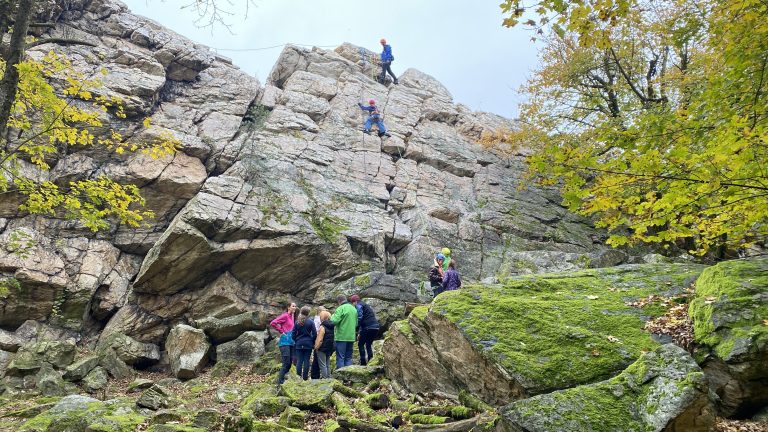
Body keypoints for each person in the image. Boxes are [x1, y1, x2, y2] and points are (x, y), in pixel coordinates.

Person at [270, 302, 297, 384]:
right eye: (293, 306)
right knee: (286, 363)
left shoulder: (292, 316)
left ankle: (285, 381)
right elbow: (273, 323)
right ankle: (279, 383)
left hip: (291, 343)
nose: (295, 308)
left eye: (295, 306)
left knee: (290, 363)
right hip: (284, 343)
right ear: (288, 307)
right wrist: (281, 331)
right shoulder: (285, 315)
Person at [349, 294, 380, 365]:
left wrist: (356, 328)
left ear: (354, 302)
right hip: (375, 327)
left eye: (353, 303)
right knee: (368, 344)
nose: (353, 305)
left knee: (360, 344)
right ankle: (371, 361)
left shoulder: (359, 305)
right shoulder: (366, 305)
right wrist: (360, 331)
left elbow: (360, 317)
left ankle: (363, 363)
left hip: (368, 327)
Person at [330, 294, 357, 368]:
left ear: (339, 301)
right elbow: (356, 323)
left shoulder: (341, 308)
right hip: (351, 336)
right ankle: (349, 376)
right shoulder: (353, 309)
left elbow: (334, 321)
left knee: (340, 357)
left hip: (341, 336)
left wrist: (331, 315)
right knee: (348, 357)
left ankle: (341, 377)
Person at [292, 306, 316, 380]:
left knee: (299, 361)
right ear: (308, 313)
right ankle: (305, 378)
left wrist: (296, 340)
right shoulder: (311, 322)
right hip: (308, 344)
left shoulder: (297, 322)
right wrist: (312, 341)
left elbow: (293, 334)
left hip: (299, 343)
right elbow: (315, 334)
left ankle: (298, 377)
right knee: (306, 361)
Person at [313, 310, 335, 379]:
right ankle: (329, 378)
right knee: (327, 364)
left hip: (322, 348)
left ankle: (325, 379)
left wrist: (316, 347)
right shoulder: (332, 326)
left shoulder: (322, 327)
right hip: (329, 348)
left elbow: (320, 340)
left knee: (322, 365)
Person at [310, 306, 326, 379]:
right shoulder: (316, 320)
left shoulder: (318, 319)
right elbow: (316, 331)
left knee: (317, 358)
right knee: (316, 358)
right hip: (317, 340)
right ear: (320, 312)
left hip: (318, 340)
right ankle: (315, 375)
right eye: (323, 311)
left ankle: (316, 375)